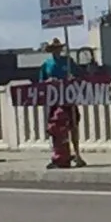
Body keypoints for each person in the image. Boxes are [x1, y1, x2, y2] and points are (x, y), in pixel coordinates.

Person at [40, 39, 84, 169]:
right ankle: (58, 154)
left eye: (58, 48)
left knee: (73, 125)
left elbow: (79, 75)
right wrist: (49, 81)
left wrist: (72, 78)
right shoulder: (46, 64)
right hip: (54, 100)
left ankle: (77, 154)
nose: (57, 50)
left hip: (68, 98)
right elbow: (41, 82)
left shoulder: (68, 61)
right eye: (54, 48)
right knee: (55, 127)